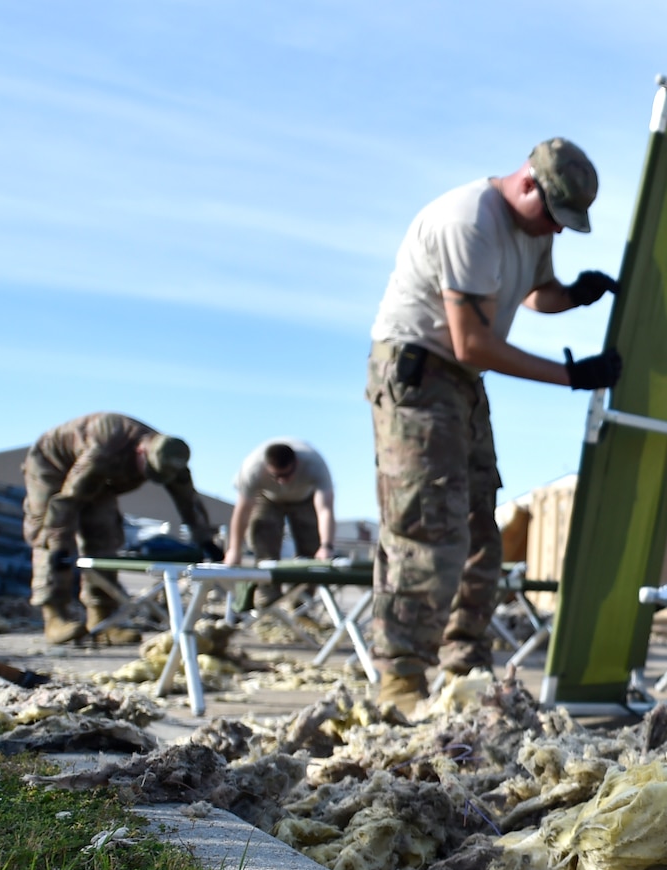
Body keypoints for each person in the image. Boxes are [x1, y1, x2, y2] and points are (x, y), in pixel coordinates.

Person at [365, 137, 622, 709]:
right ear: (526, 182)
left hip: (460, 382)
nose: (555, 230)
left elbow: (535, 295)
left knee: (484, 524)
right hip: (420, 371)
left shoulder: (532, 228)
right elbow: (473, 341)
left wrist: (575, 296)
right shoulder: (469, 220)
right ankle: (400, 681)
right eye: (553, 216)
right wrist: (572, 375)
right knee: (427, 524)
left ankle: (464, 666)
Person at [21, 412, 216, 646]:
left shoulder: (172, 460)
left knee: (105, 535)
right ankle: (55, 617)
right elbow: (67, 499)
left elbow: (189, 503)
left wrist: (206, 540)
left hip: (101, 478)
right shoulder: (106, 446)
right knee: (50, 534)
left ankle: (102, 618)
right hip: (52, 464)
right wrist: (59, 546)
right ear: (141, 451)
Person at [225, 438, 336, 567]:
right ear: (267, 467)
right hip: (268, 498)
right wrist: (234, 549)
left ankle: (305, 585)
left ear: (297, 463)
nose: (282, 481)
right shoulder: (252, 468)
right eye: (276, 476)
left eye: (286, 475)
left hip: (304, 498)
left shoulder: (315, 465)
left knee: (312, 548)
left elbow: (325, 510)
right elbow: (243, 510)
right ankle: (268, 583)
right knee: (263, 538)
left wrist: (326, 546)